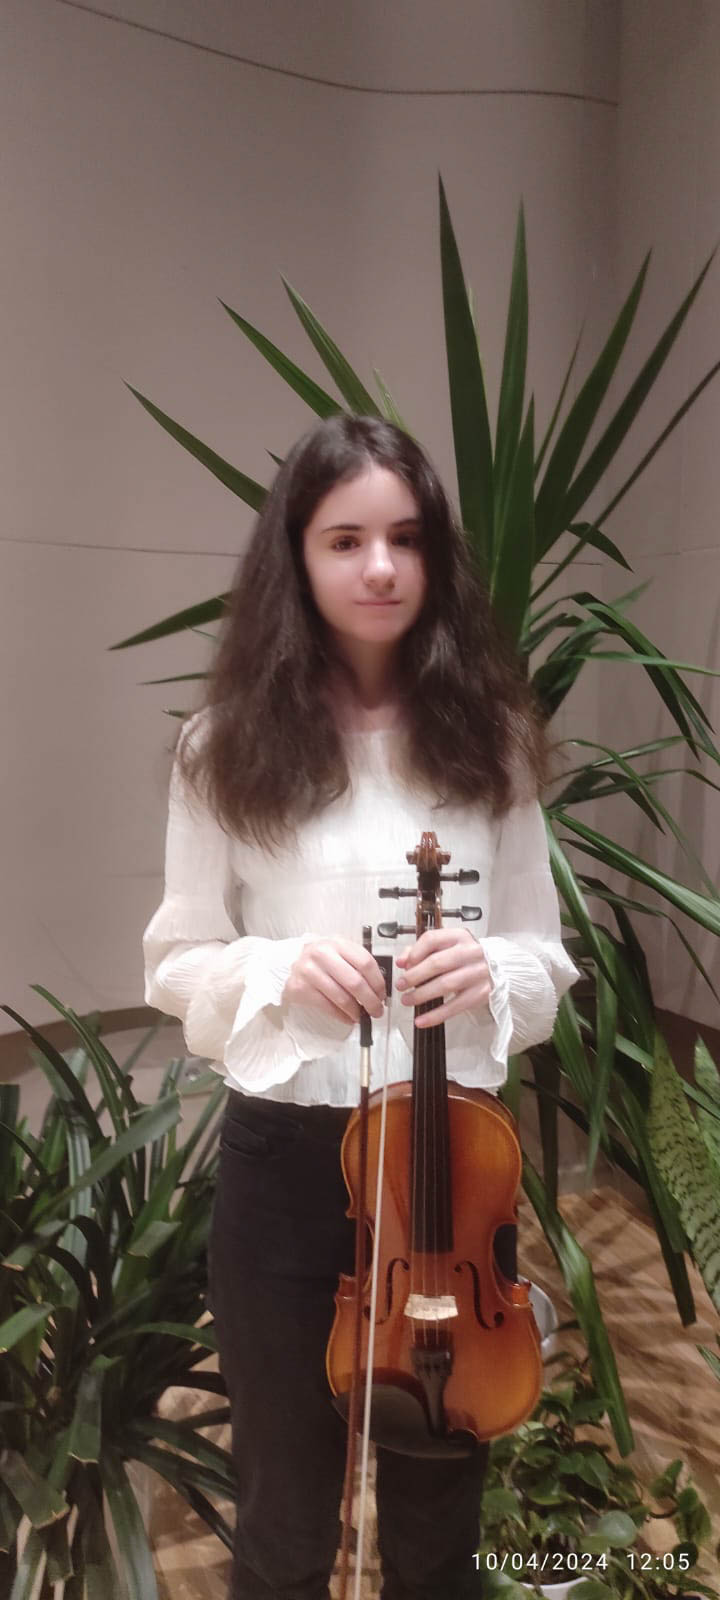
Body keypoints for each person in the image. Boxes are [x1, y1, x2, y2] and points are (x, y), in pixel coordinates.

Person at [142, 414, 581, 1600]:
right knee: (287, 1514)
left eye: (406, 537)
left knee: (440, 1517)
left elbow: (545, 955)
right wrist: (280, 970)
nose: (380, 567)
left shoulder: (494, 741)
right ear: (297, 556)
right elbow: (177, 961)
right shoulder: (222, 746)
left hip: (450, 1174)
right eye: (345, 540)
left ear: (435, 555)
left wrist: (495, 970)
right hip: (291, 1166)